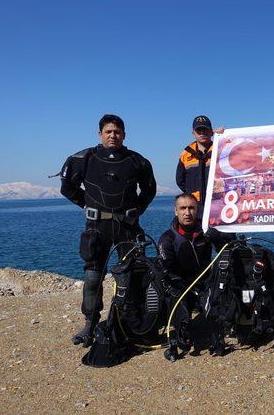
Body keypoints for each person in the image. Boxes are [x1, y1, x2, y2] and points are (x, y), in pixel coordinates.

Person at [60, 114, 157, 346]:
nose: (113, 135)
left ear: (124, 134)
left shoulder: (137, 161)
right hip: (97, 227)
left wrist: (137, 210)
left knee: (132, 275)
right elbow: (67, 187)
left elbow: (149, 189)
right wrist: (87, 204)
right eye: (108, 132)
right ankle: (89, 325)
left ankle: (130, 321)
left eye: (117, 132)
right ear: (100, 134)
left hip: (127, 227)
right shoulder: (83, 159)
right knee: (93, 276)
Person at [158, 194, 216, 352]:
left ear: (197, 210)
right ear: (176, 211)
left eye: (191, 208)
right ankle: (182, 333)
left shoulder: (206, 232)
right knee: (177, 297)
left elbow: (226, 245)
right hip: (181, 286)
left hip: (204, 282)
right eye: (183, 208)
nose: (187, 212)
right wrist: (184, 286)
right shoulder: (167, 238)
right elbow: (166, 267)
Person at [176, 115, 224, 217]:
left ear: (212, 132)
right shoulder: (185, 155)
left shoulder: (221, 149)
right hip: (195, 206)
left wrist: (225, 136)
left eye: (205, 130)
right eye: (199, 130)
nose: (202, 133)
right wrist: (192, 193)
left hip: (219, 203)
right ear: (193, 133)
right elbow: (180, 180)